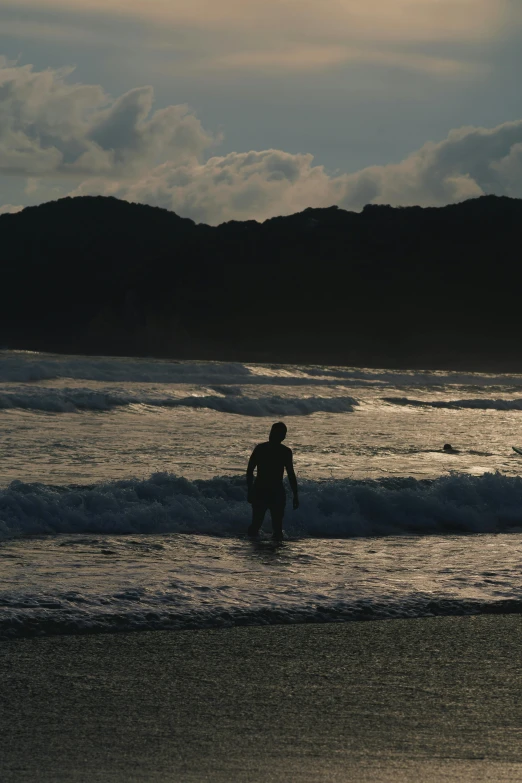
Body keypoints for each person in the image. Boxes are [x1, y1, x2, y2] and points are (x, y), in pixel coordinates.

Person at [246, 422, 299, 541]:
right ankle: (261, 552)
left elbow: (291, 474)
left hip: (270, 491)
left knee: (270, 527)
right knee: (262, 526)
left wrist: (296, 494)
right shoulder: (266, 449)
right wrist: (250, 490)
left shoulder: (278, 451)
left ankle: (261, 553)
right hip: (266, 490)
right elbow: (249, 471)